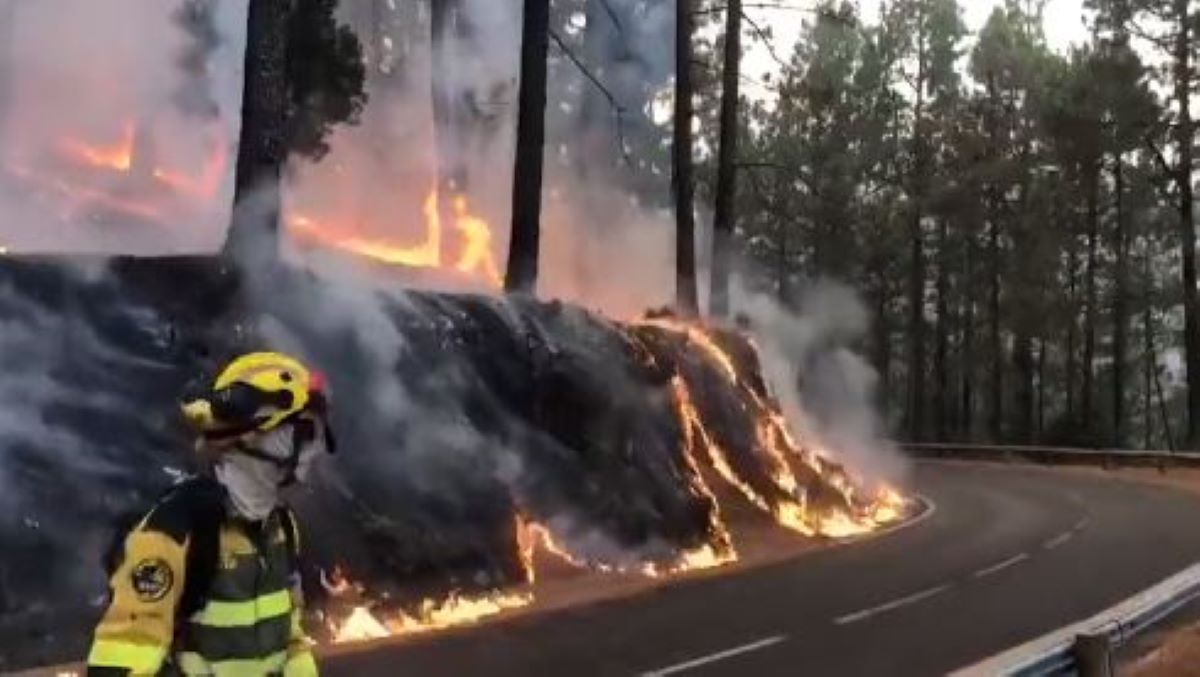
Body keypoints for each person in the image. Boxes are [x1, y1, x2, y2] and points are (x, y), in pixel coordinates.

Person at [87, 352, 335, 676]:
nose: (317, 449)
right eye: (303, 434)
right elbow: (123, 657)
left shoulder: (281, 529)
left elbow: (290, 640)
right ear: (248, 434)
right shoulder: (173, 530)